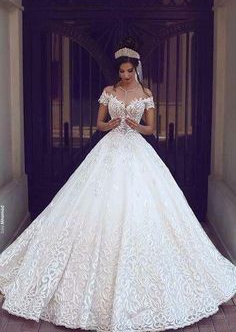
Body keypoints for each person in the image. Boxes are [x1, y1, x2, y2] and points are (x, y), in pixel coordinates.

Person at [0, 36, 236, 332]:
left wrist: (139, 127)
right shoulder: (108, 91)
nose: (125, 75)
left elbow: (153, 129)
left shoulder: (146, 93)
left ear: (136, 69)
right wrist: (108, 125)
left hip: (137, 150)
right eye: (121, 71)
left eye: (129, 71)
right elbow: (98, 123)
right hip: (109, 149)